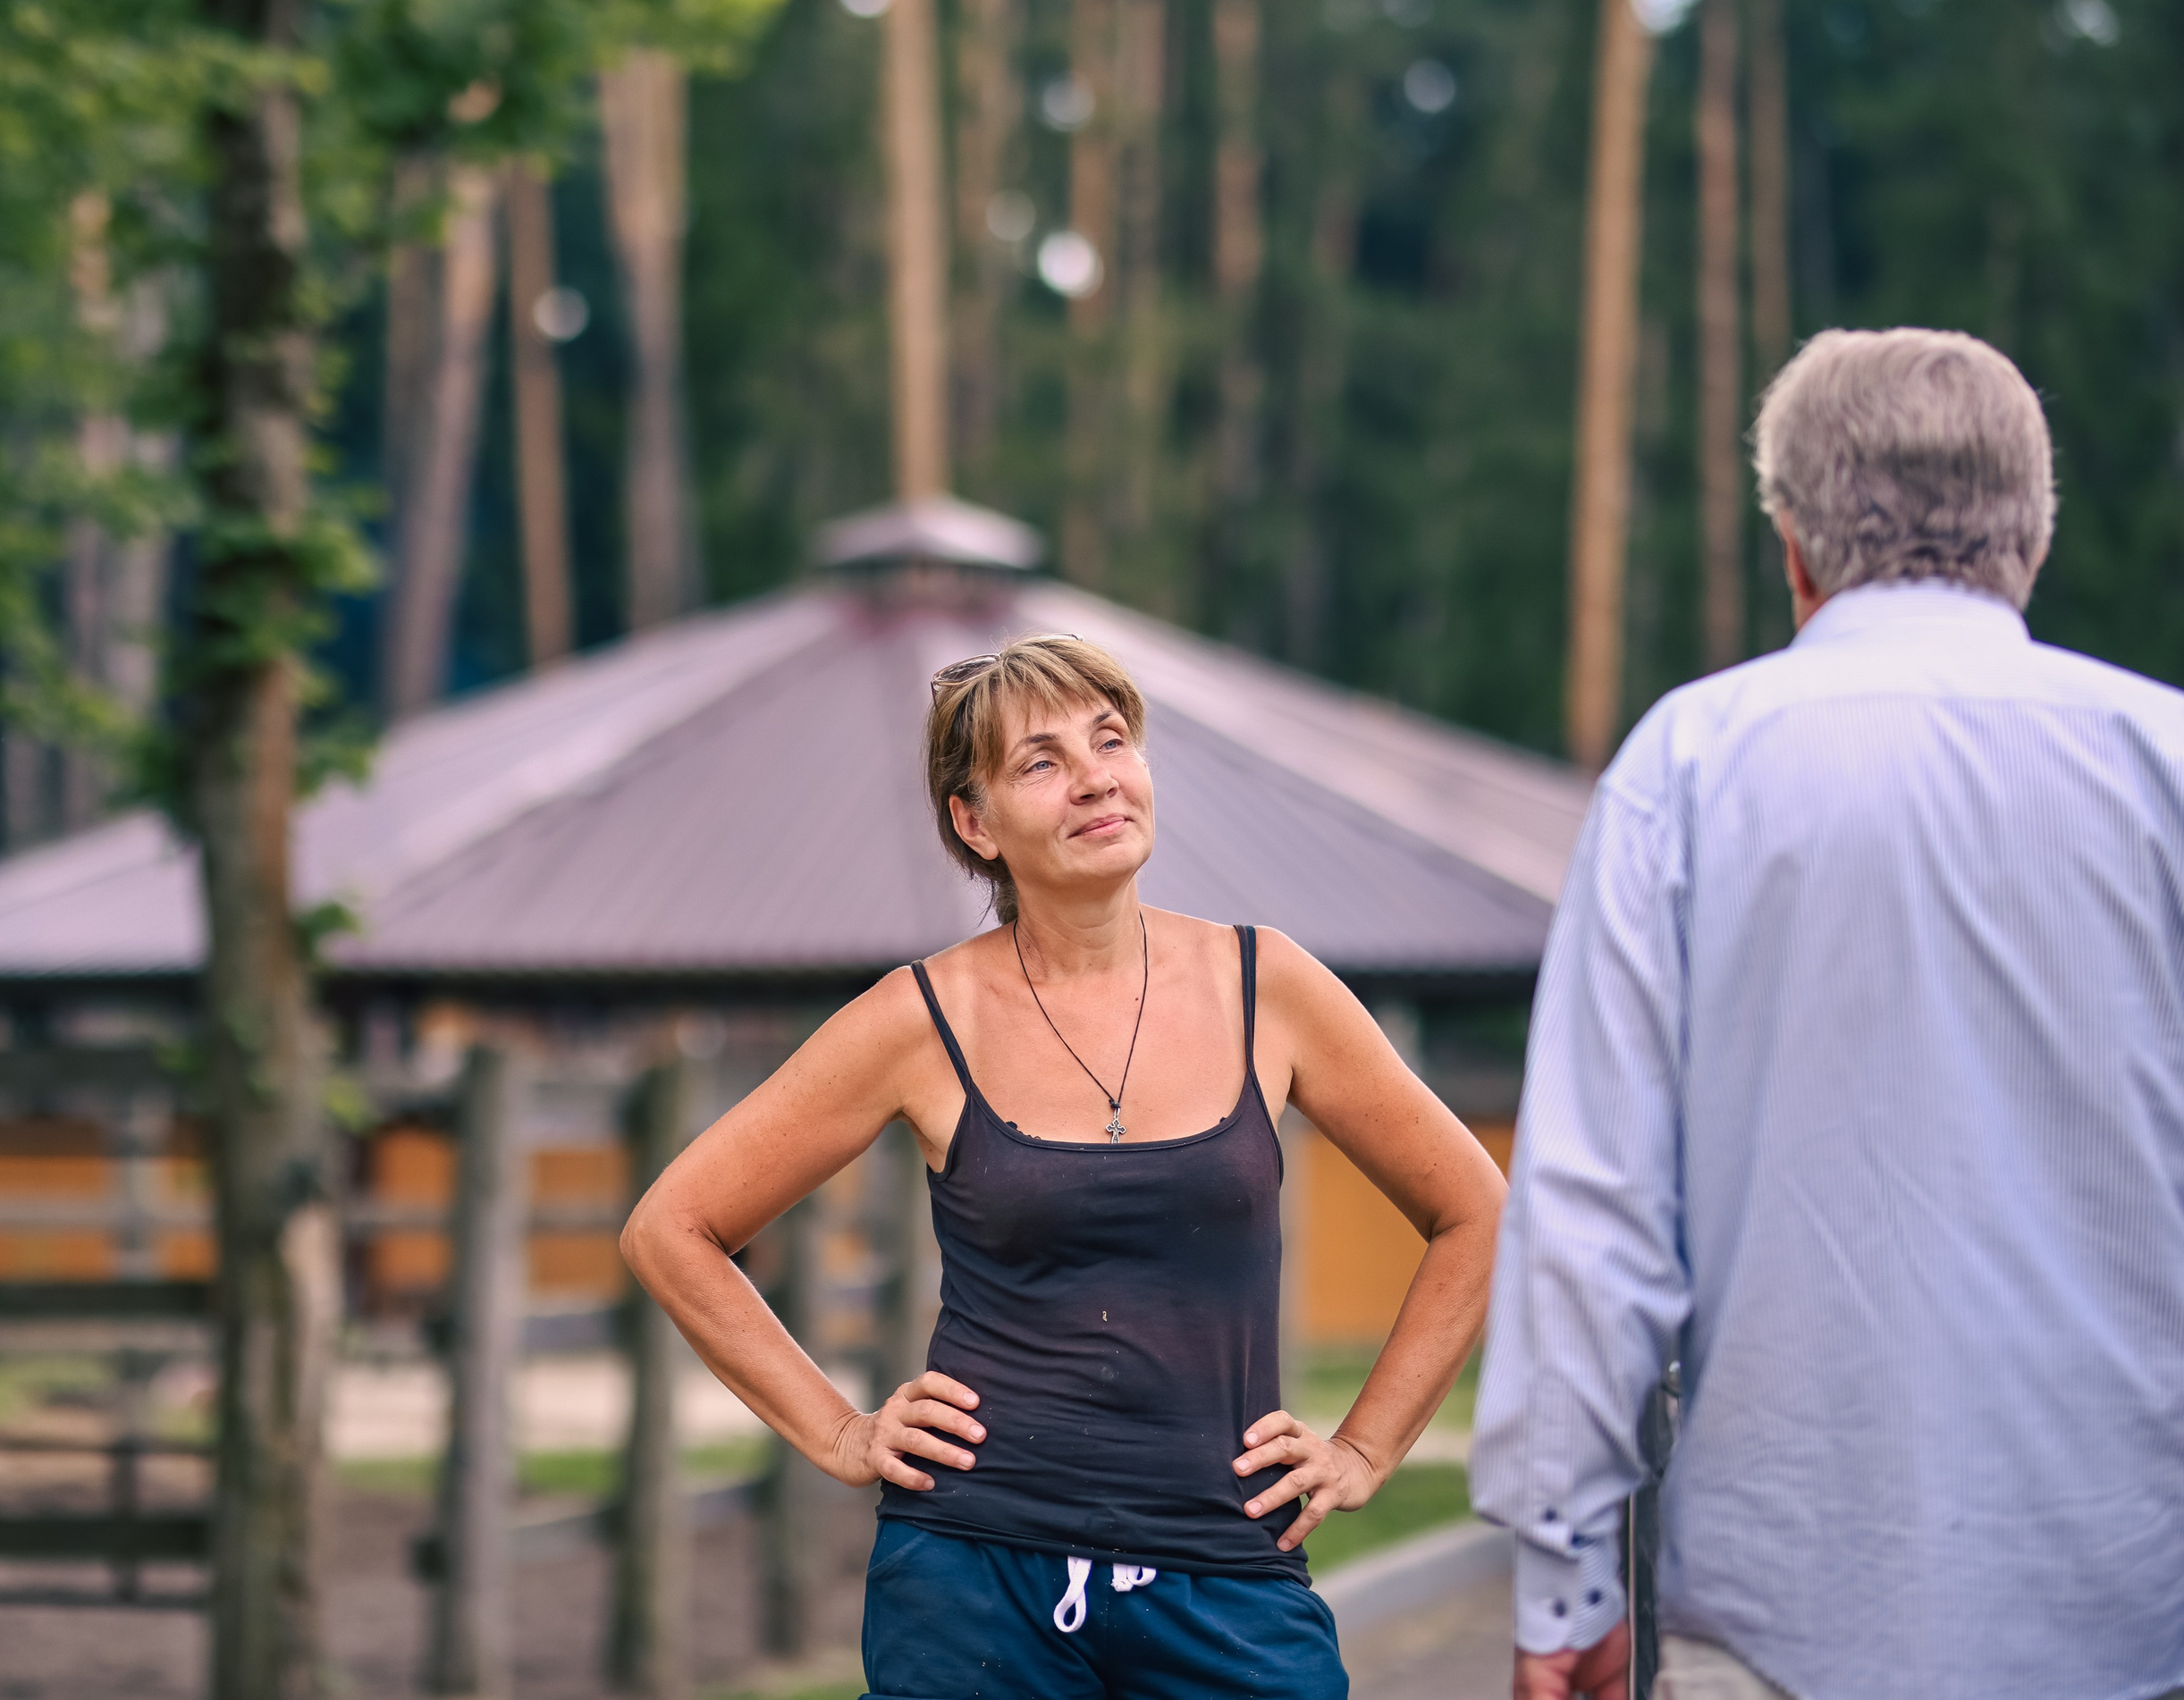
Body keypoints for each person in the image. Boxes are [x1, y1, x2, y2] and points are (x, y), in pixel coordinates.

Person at [1471, 327, 2184, 1700]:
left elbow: (1591, 1216)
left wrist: (1565, 1586)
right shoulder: (2165, 765)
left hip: (1778, 1626)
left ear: (1793, 543)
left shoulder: (1687, 766)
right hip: (2139, 1614)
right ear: (2030, 540)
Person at [620, 634, 1505, 1700]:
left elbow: (1477, 1211)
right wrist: (842, 1431)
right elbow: (672, 1229)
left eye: (1111, 740)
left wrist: (1365, 1449)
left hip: (1225, 1575)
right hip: (972, 1584)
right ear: (973, 821)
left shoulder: (1269, 987)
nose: (1093, 775)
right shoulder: (919, 1018)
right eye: (1040, 761)